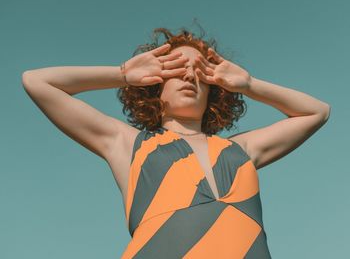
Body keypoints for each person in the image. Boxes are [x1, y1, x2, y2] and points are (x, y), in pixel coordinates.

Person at [22, 26, 330, 258]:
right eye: (176, 68)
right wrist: (122, 74)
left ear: (213, 88)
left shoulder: (241, 149)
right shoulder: (128, 143)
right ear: (155, 83)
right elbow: (37, 82)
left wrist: (249, 85)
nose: (189, 76)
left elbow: (317, 111)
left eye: (199, 72)